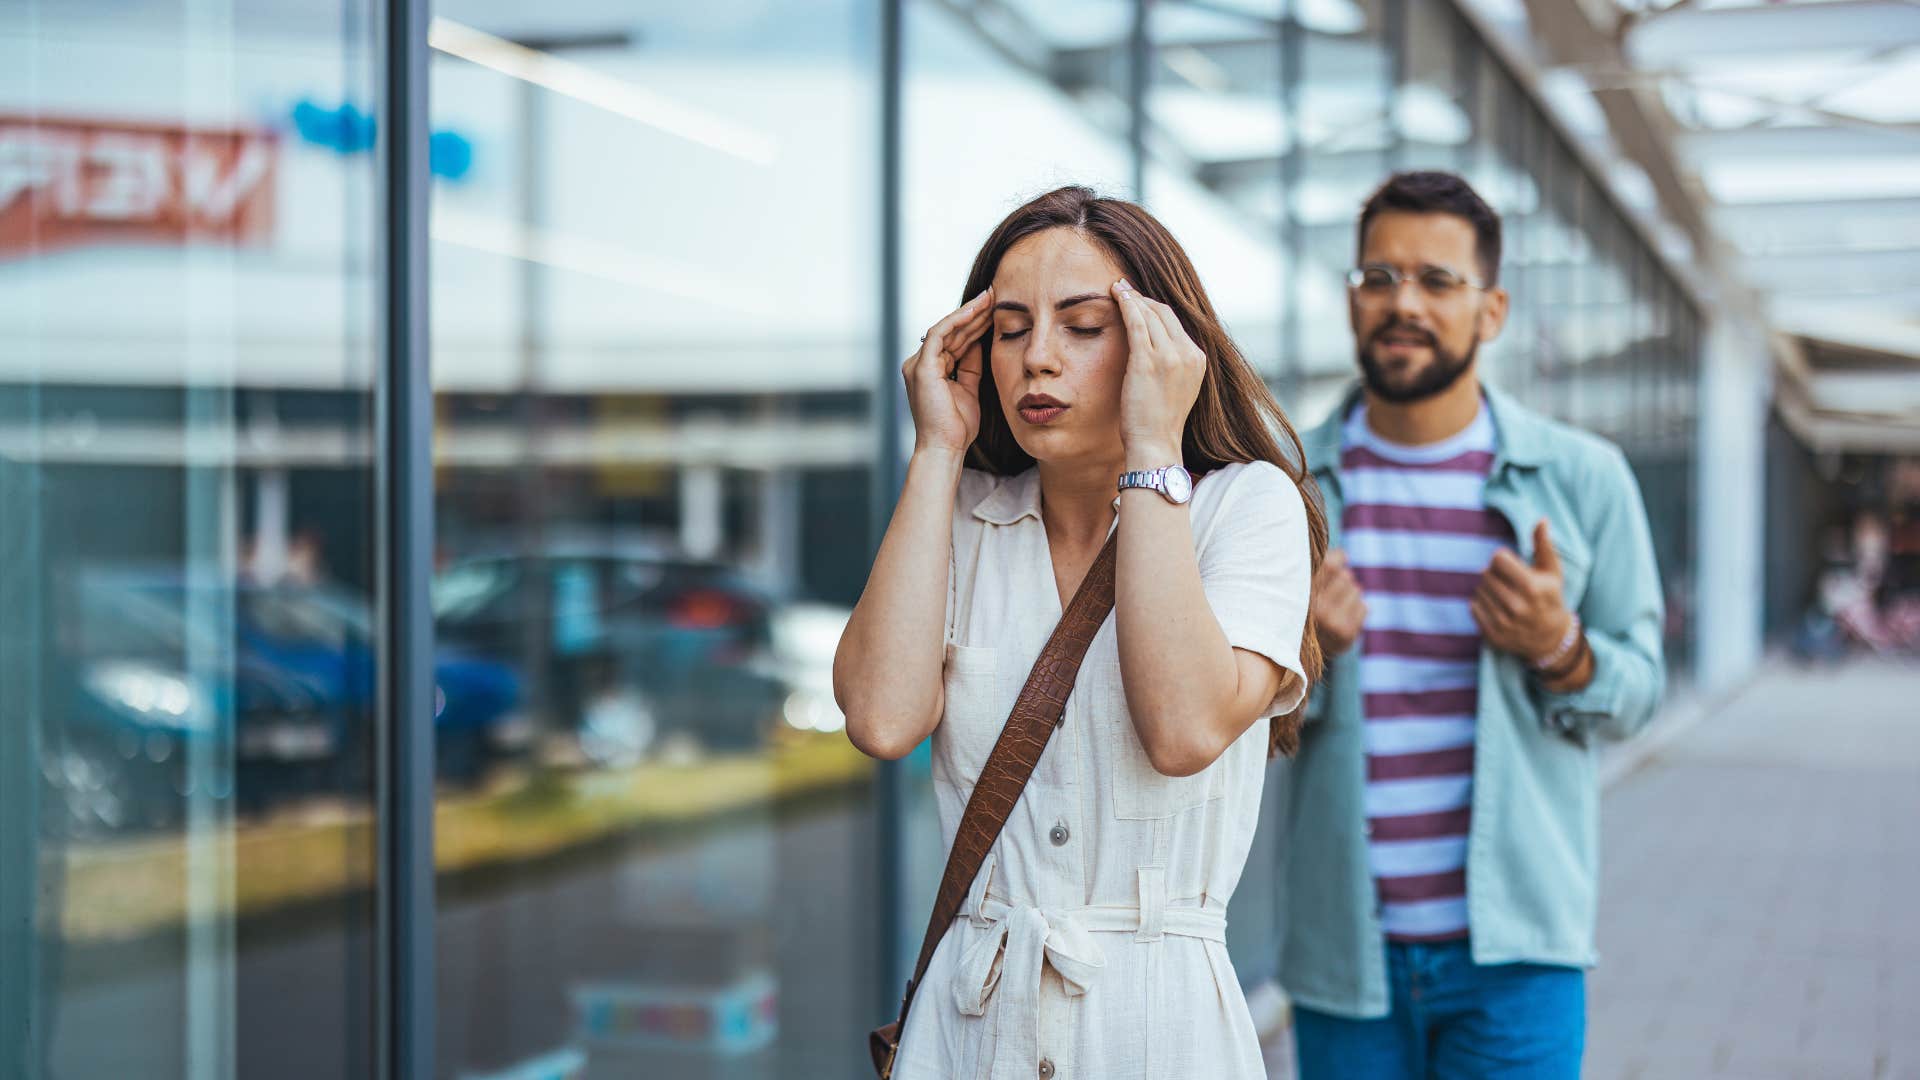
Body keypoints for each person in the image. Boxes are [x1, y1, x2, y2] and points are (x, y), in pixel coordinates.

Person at [835, 185, 1325, 1079]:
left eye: (1083, 325)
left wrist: (1152, 451)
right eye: (1011, 328)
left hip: (1157, 1026)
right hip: (971, 1028)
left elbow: (1183, 730)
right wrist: (937, 451)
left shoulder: (1246, 509)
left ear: (1159, 343)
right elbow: (880, 719)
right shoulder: (959, 520)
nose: (1038, 359)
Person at [1279, 171, 1666, 1078]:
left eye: (1435, 281)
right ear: (1350, 299)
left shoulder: (1583, 480)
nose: (1401, 302)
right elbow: (1222, 726)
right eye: (1378, 278)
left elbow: (1640, 690)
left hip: (1520, 957)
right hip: (1346, 958)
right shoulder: (1285, 491)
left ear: (1491, 311)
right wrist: (1303, 658)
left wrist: (1562, 650)